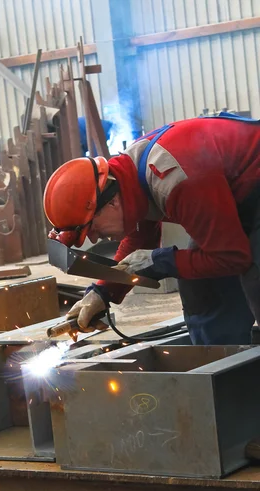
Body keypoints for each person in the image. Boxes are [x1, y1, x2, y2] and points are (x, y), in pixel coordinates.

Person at [43, 114, 260, 345]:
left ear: (111, 203)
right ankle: (223, 367)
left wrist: (160, 262)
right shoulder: (129, 176)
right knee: (202, 284)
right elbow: (139, 240)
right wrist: (102, 292)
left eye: (93, 229)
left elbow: (232, 257)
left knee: (254, 275)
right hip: (236, 197)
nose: (96, 238)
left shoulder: (175, 179)